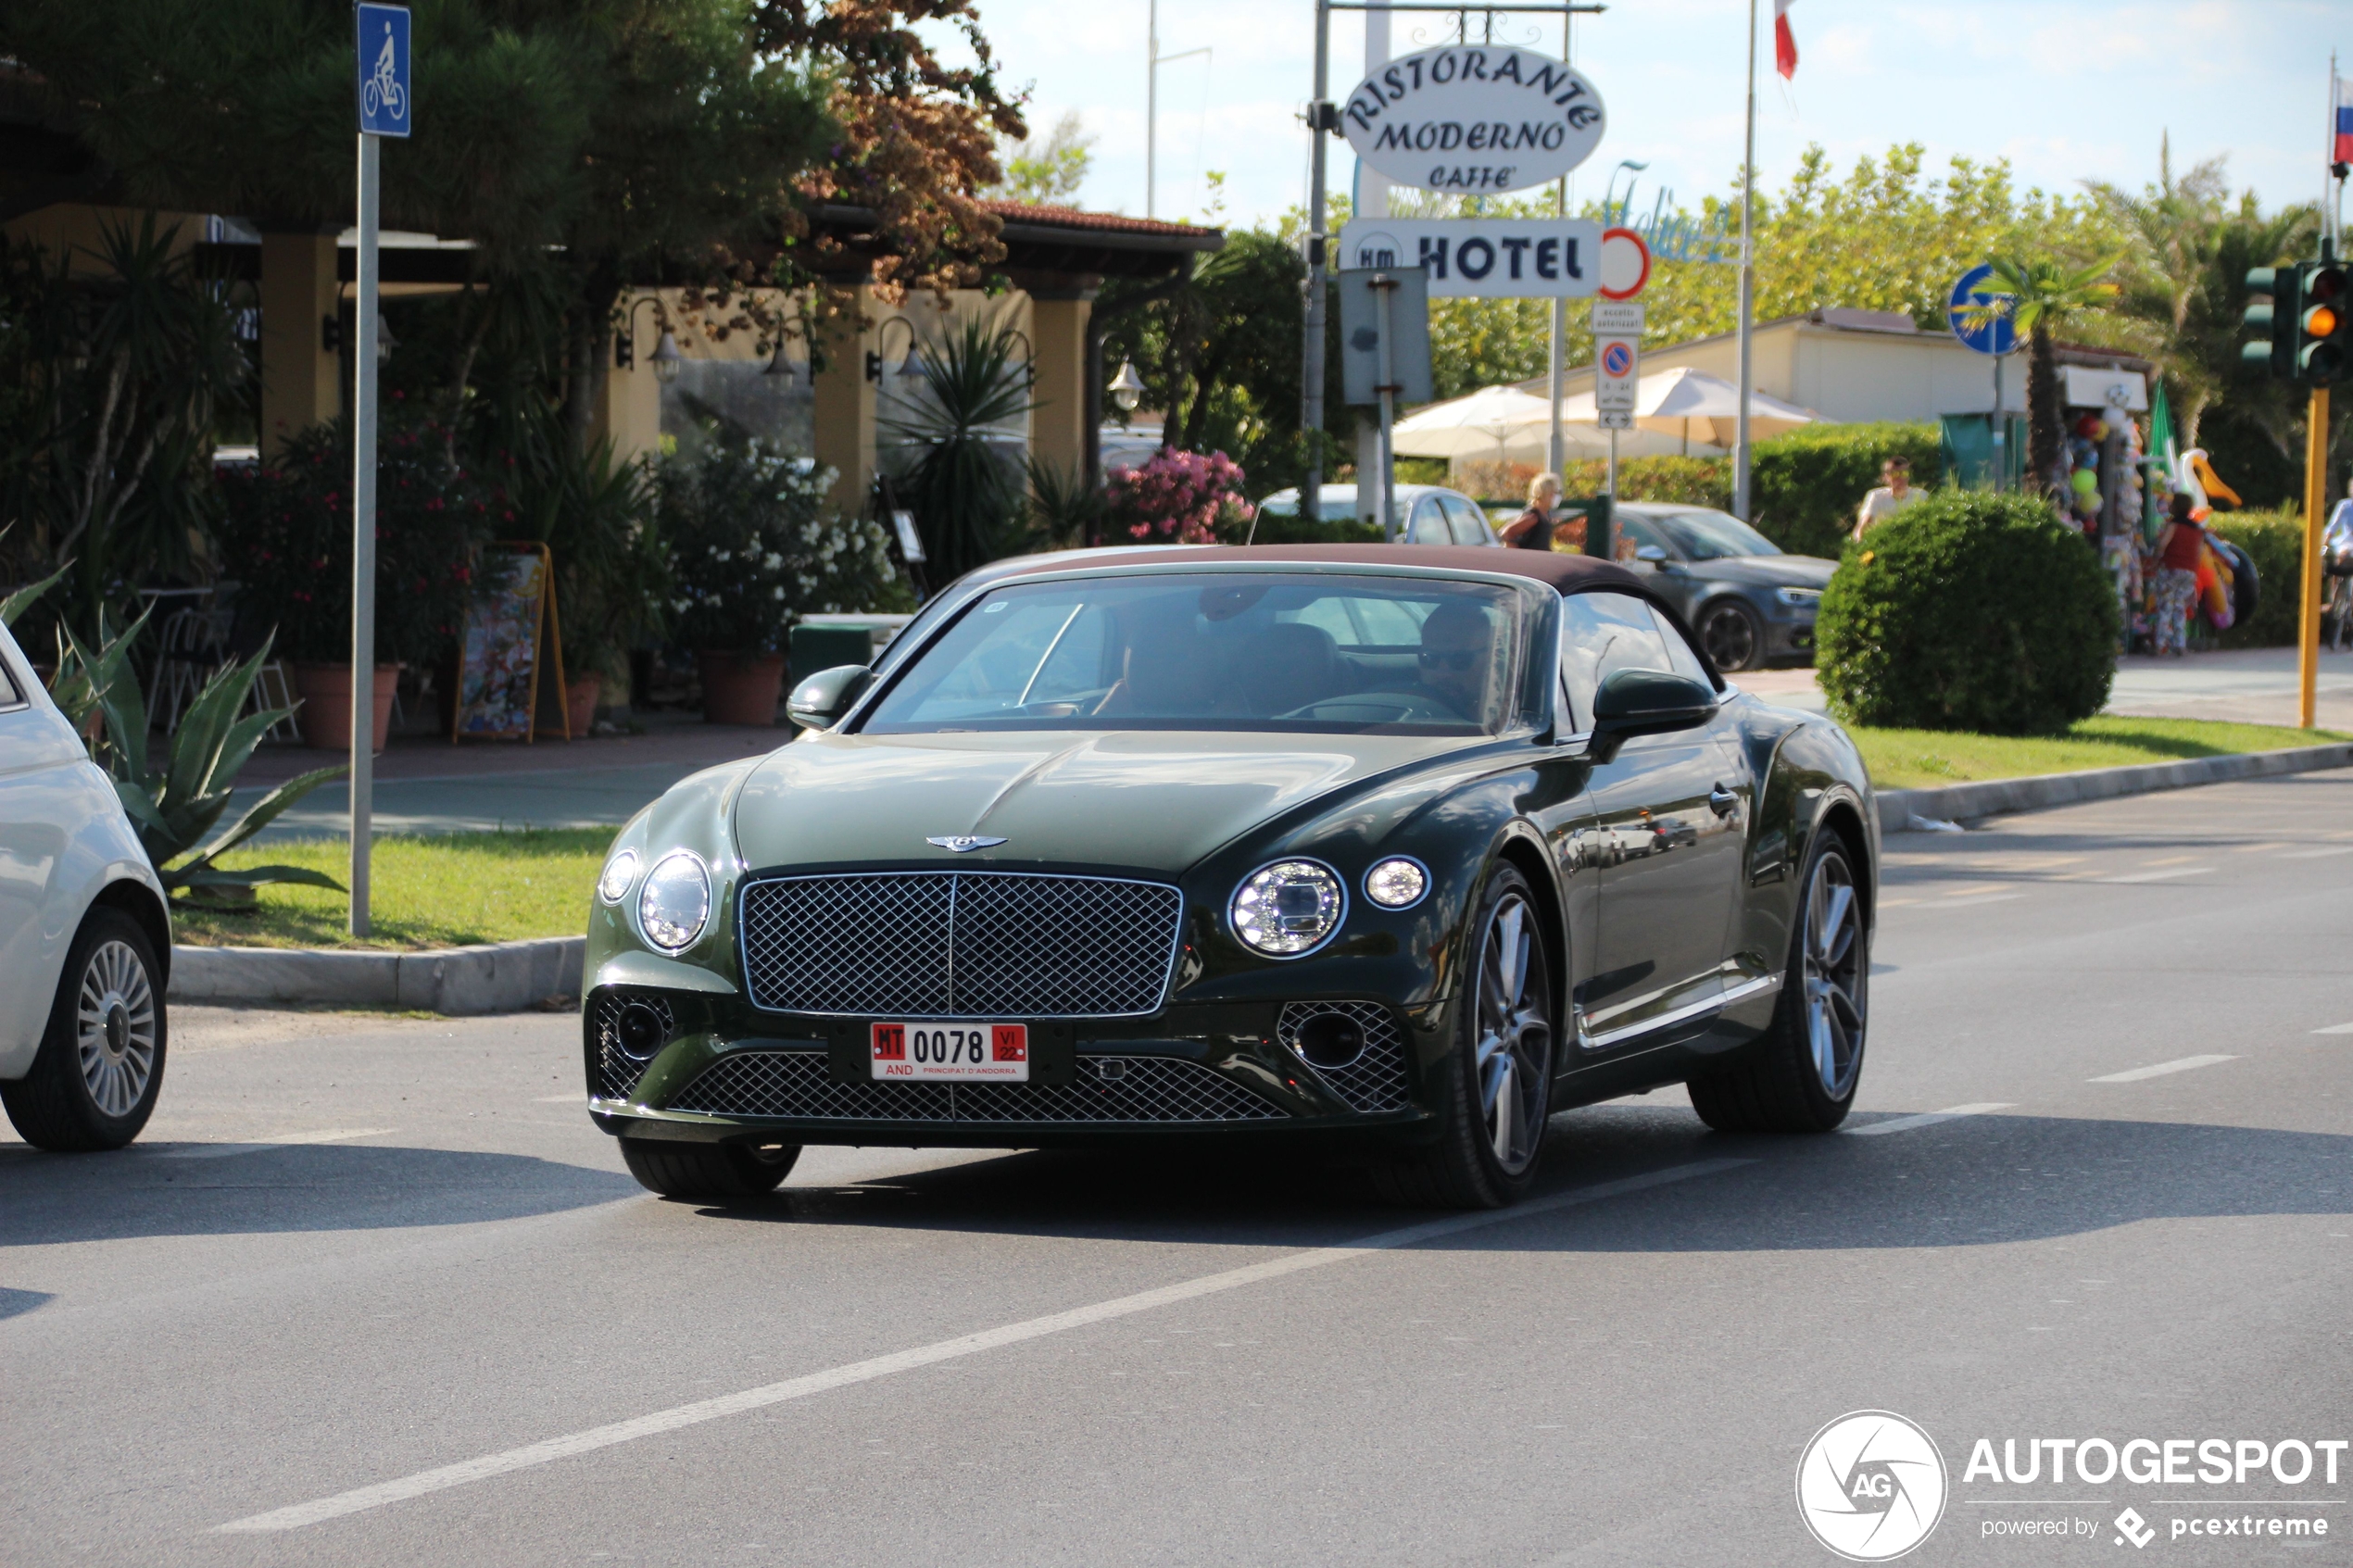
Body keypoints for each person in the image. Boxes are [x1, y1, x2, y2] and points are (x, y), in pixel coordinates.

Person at [1414, 598, 1498, 721]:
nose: (1443, 673)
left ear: (1492, 658)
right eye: (1429, 658)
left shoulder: (1511, 717)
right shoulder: (1398, 713)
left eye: (1460, 659)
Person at [2151, 492, 2205, 658]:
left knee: (2165, 606)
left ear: (2176, 506)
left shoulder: (2173, 525)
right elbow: (2199, 552)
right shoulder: (2197, 529)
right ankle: (2180, 645)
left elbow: (2163, 544)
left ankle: (2160, 645)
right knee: (2180, 607)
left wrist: (2155, 559)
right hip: (2189, 572)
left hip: (2171, 569)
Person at [1852, 458, 1918, 541]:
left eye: (1904, 473)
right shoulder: (1876, 496)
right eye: (1895, 474)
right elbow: (1864, 523)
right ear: (1885, 477)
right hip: (1882, 542)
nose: (1900, 478)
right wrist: (1860, 541)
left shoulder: (1921, 495)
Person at [1502, 472, 1561, 551]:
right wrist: (1517, 556)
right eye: (1552, 494)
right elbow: (1507, 533)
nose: (1556, 497)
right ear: (1543, 494)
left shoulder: (1545, 515)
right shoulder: (1533, 517)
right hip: (1530, 561)